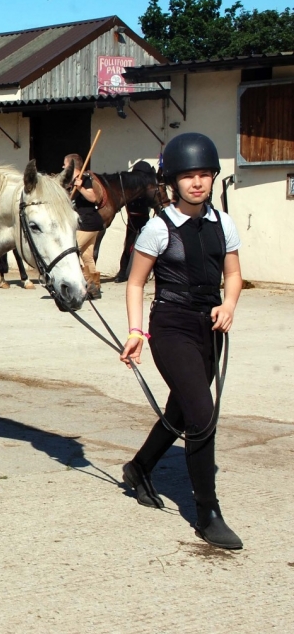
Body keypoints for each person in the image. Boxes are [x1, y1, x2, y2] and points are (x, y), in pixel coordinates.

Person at [119, 132, 243, 550]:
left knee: (183, 410)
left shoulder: (222, 223)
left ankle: (139, 468)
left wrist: (229, 305)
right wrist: (138, 331)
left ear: (212, 178)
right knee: (202, 413)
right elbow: (135, 283)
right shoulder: (158, 227)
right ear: (173, 181)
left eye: (204, 175)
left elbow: (233, 275)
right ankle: (207, 512)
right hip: (170, 326)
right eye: (188, 176)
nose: (197, 183)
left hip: (209, 329)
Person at [65, 153, 105, 298]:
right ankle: (96, 289)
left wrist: (80, 188)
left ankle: (84, 284)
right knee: (87, 256)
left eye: (64, 164)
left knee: (71, 252)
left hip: (88, 222)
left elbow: (93, 198)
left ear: (70, 165)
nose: (63, 167)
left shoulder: (84, 179)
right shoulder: (69, 181)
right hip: (87, 223)